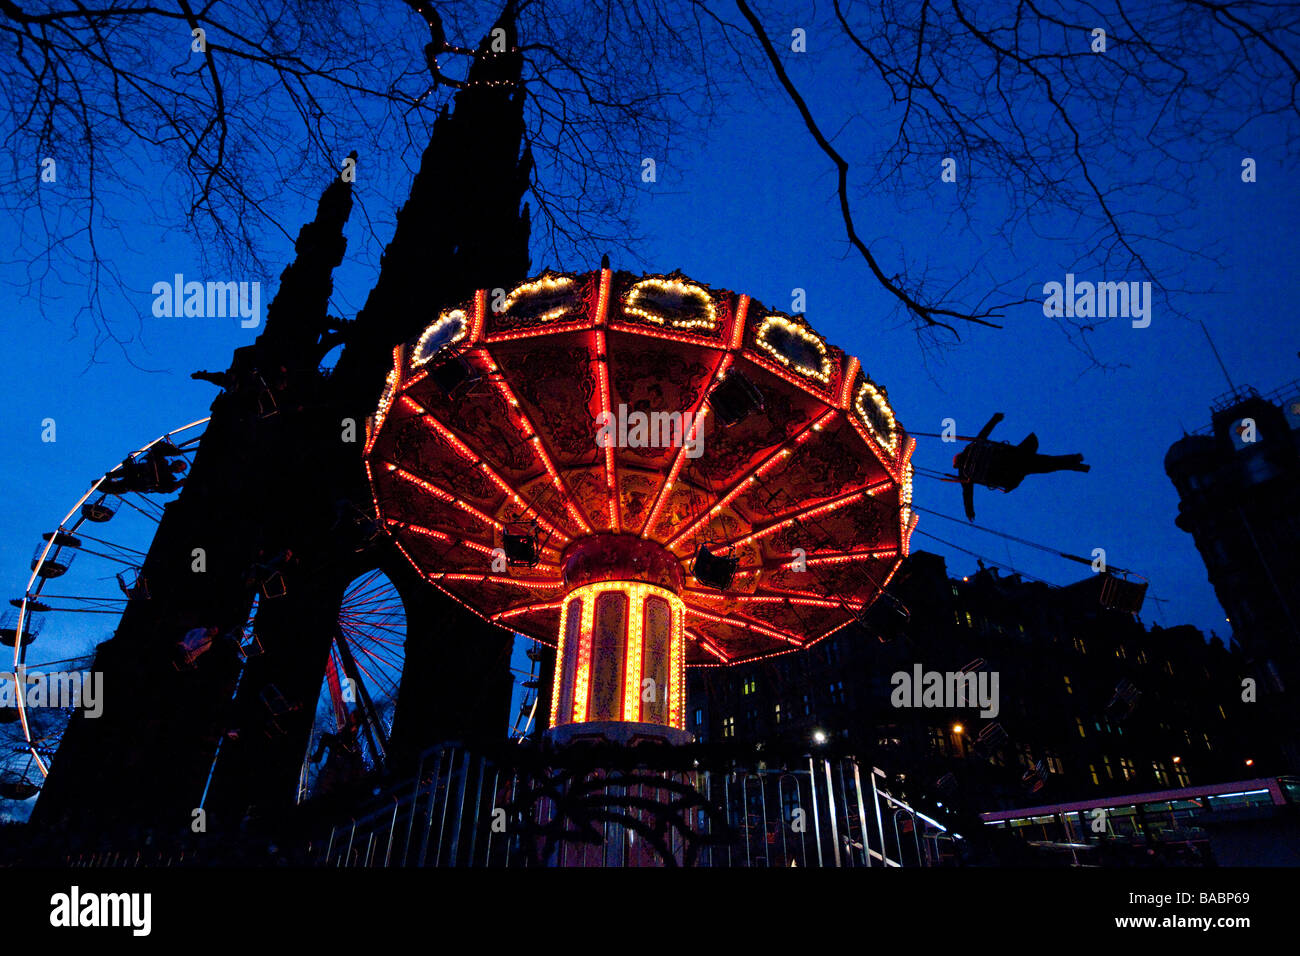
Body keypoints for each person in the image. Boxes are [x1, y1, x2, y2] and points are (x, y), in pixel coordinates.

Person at [953, 412, 1090, 520]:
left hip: (1009, 474)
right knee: (1047, 463)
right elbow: (984, 433)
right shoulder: (972, 447)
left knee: (1047, 465)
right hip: (1014, 457)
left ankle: (1076, 463)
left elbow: (967, 493)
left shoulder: (964, 474)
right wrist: (996, 418)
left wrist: (969, 511)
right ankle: (1075, 462)